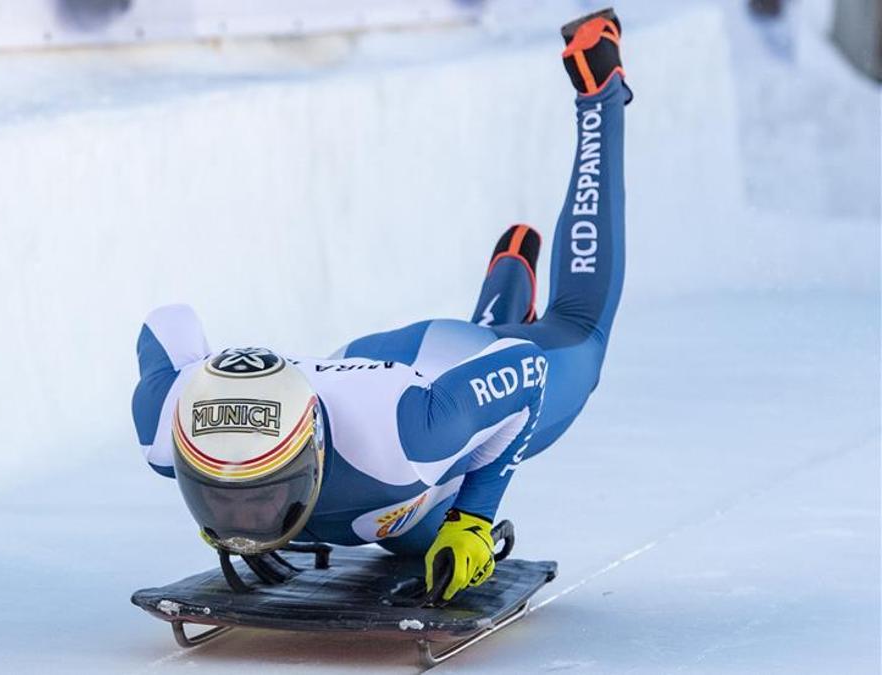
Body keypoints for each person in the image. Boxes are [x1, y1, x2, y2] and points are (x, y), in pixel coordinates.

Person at [132, 8, 631, 603]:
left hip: (443, 384)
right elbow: (165, 326)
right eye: (216, 494)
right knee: (408, 530)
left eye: (261, 496)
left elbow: (522, 375)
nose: (246, 520)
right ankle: (506, 288)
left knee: (579, 329)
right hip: (399, 427)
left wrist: (475, 519)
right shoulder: (171, 424)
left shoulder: (408, 437)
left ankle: (600, 94)